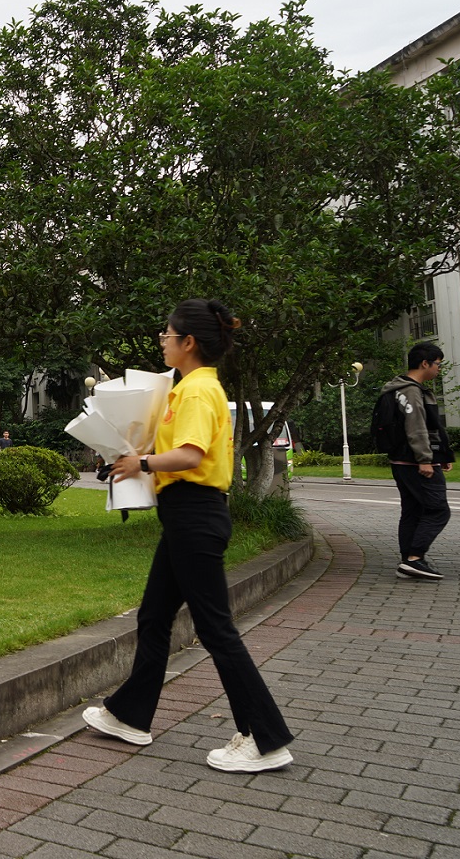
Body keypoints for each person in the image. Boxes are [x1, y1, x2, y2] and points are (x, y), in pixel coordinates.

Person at [83, 298, 295, 773]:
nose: (162, 341)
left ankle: (264, 738)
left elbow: (191, 455)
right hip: (185, 516)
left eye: (167, 334)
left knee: (216, 629)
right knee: (154, 616)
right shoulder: (189, 388)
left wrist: (141, 462)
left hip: (195, 515)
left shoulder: (198, 391)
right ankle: (129, 715)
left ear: (189, 342)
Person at [378, 341, 454, 580]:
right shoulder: (410, 391)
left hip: (401, 460)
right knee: (438, 510)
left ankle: (409, 561)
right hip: (414, 462)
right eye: (438, 364)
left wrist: (441, 456)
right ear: (424, 363)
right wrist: (425, 459)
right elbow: (416, 427)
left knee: (412, 510)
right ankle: (414, 558)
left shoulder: (397, 388)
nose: (439, 369)